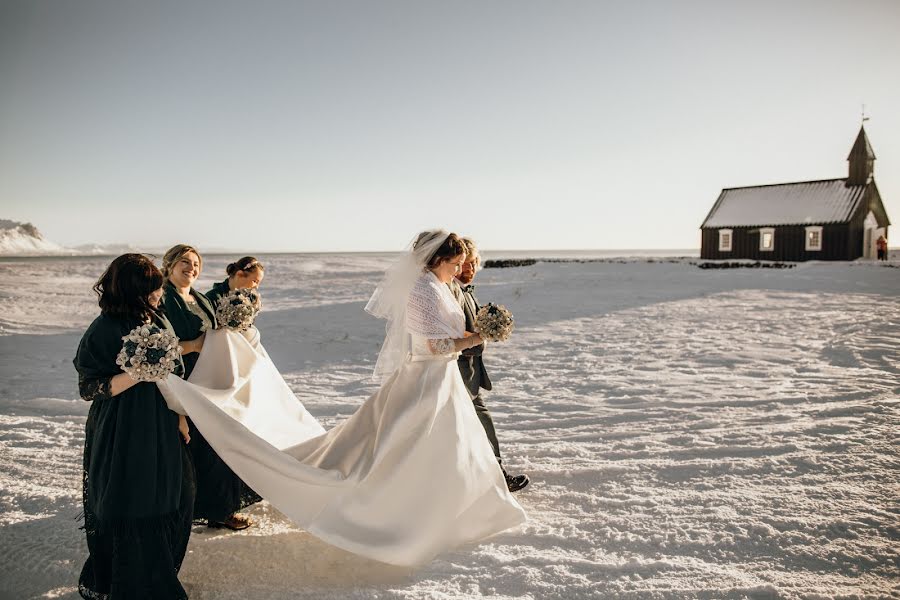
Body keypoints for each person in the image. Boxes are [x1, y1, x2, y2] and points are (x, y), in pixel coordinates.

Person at [158, 230, 526, 566]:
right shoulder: (423, 290)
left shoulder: (442, 287)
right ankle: (394, 515)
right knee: (406, 447)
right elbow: (433, 345)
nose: (461, 268)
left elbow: (446, 331)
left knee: (448, 444)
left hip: (441, 378)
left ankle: (455, 508)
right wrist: (477, 338)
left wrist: (475, 328)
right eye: (455, 262)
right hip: (425, 378)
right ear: (436, 260)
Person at [73, 253, 194, 599]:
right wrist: (137, 373)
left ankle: (158, 569)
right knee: (132, 499)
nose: (159, 295)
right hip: (121, 427)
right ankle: (134, 583)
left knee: (175, 494)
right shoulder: (104, 328)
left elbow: (172, 372)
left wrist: (180, 416)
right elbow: (90, 388)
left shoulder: (157, 318)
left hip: (160, 418)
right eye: (152, 290)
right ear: (131, 290)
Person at [160, 244, 260, 531]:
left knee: (220, 444)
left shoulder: (200, 299)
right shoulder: (162, 301)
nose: (191, 268)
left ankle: (221, 508)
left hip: (211, 382)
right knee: (195, 450)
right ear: (169, 265)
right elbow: (156, 348)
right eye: (185, 262)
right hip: (183, 384)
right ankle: (208, 511)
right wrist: (193, 346)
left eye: (196, 264)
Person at [450, 237, 530, 493]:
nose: (470, 269)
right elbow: (452, 331)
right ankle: (496, 475)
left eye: (474, 264)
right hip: (460, 368)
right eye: (465, 264)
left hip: (471, 368)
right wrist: (481, 334)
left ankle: (483, 475)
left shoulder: (465, 291)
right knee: (478, 420)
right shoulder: (452, 291)